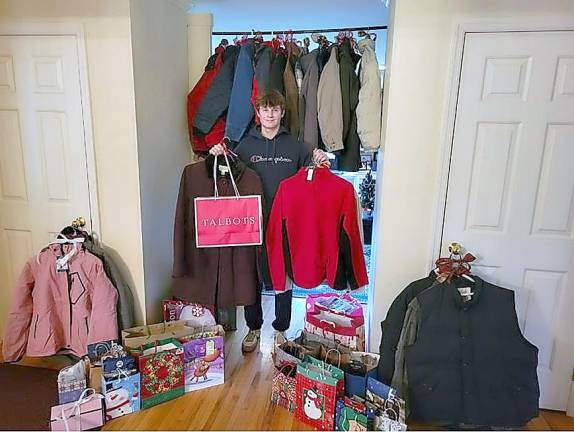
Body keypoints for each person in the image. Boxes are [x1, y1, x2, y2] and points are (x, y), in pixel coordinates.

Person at [209, 89, 329, 352]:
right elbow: (227, 173)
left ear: (282, 113)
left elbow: (313, 172)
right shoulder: (246, 146)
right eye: (265, 109)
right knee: (252, 275)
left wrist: (319, 159)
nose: (270, 114)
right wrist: (218, 152)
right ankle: (253, 328)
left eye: (275, 109)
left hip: (286, 223)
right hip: (251, 224)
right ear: (258, 113)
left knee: (282, 277)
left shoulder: (296, 146)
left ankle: (280, 330)